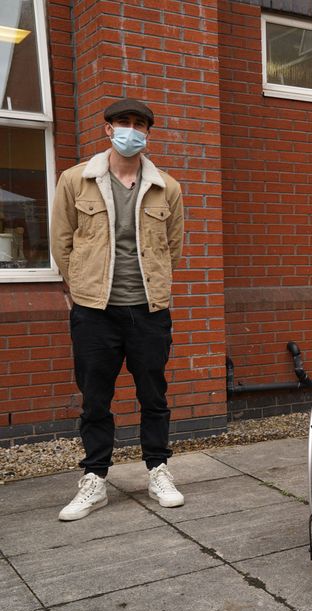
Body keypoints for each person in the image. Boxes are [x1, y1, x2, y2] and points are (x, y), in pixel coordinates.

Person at [50, 99, 185, 521]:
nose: (131, 130)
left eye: (139, 125)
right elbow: (62, 241)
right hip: (95, 311)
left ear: (148, 133)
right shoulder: (76, 180)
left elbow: (172, 249)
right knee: (95, 398)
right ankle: (94, 479)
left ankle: (158, 470)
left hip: (149, 310)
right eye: (123, 123)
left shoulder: (167, 186)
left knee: (154, 395)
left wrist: (155, 287)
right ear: (107, 129)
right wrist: (82, 288)